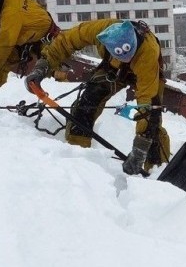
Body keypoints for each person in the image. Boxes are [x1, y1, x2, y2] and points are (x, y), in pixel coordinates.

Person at [24, 19, 170, 175]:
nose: (126, 57)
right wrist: (41, 68)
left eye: (128, 52)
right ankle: (79, 157)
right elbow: (65, 42)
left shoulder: (147, 52)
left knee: (151, 123)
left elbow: (146, 101)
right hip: (113, 69)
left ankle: (157, 170)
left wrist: (140, 148)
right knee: (85, 105)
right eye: (120, 54)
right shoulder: (99, 30)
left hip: (147, 72)